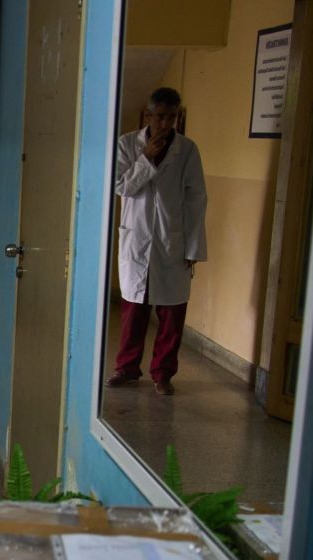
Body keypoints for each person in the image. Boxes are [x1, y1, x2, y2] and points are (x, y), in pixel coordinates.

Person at [107, 87, 207, 396]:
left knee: (172, 312)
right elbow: (122, 187)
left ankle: (163, 373)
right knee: (133, 311)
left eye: (171, 117)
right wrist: (146, 158)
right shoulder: (127, 145)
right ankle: (126, 369)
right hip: (136, 239)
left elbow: (196, 199)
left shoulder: (187, 150)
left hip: (172, 240)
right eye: (160, 116)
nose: (165, 123)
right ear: (148, 115)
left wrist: (193, 246)